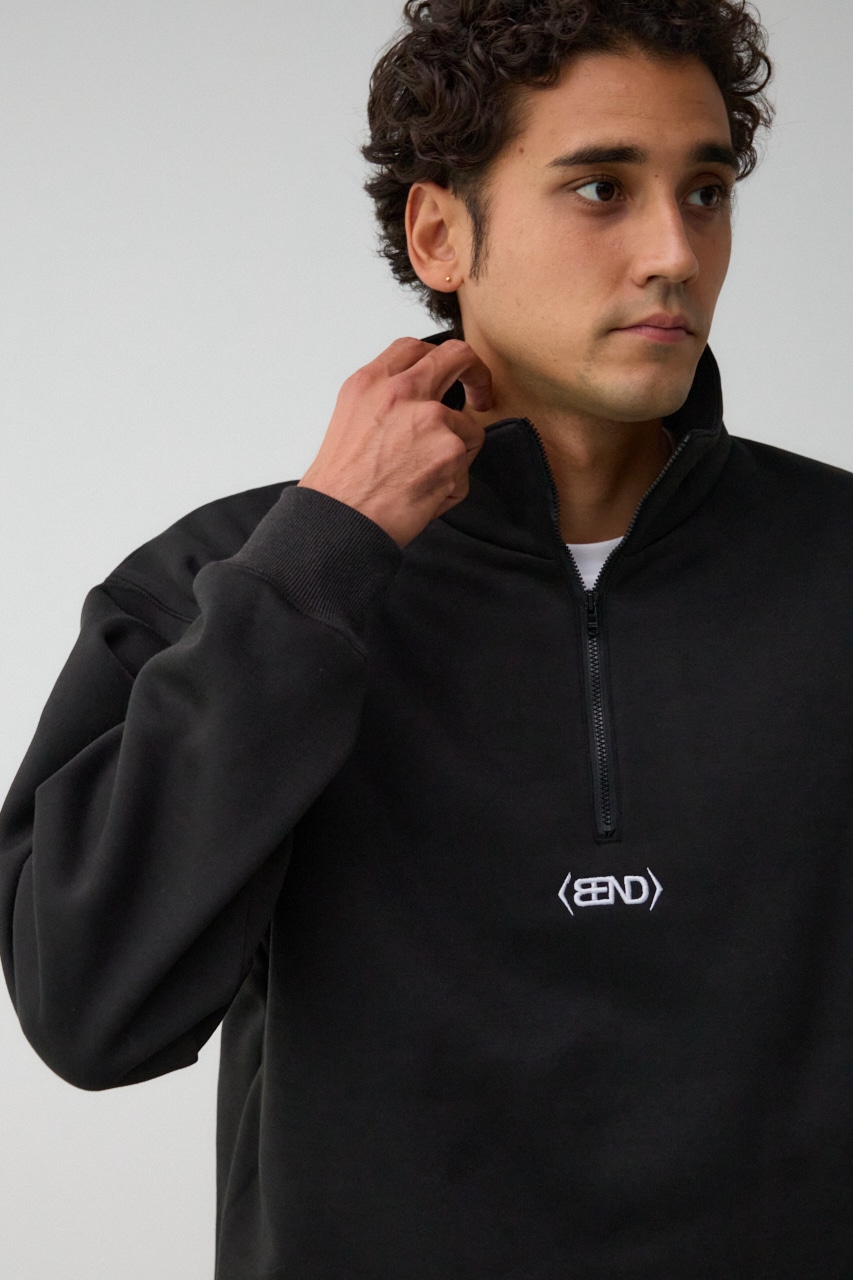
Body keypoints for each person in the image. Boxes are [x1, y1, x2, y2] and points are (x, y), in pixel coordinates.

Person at [6, 0, 853, 1275]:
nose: (674, 252)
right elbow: (90, 1009)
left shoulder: (833, 560)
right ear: (440, 232)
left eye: (706, 190)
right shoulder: (230, 581)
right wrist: (320, 559)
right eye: (601, 188)